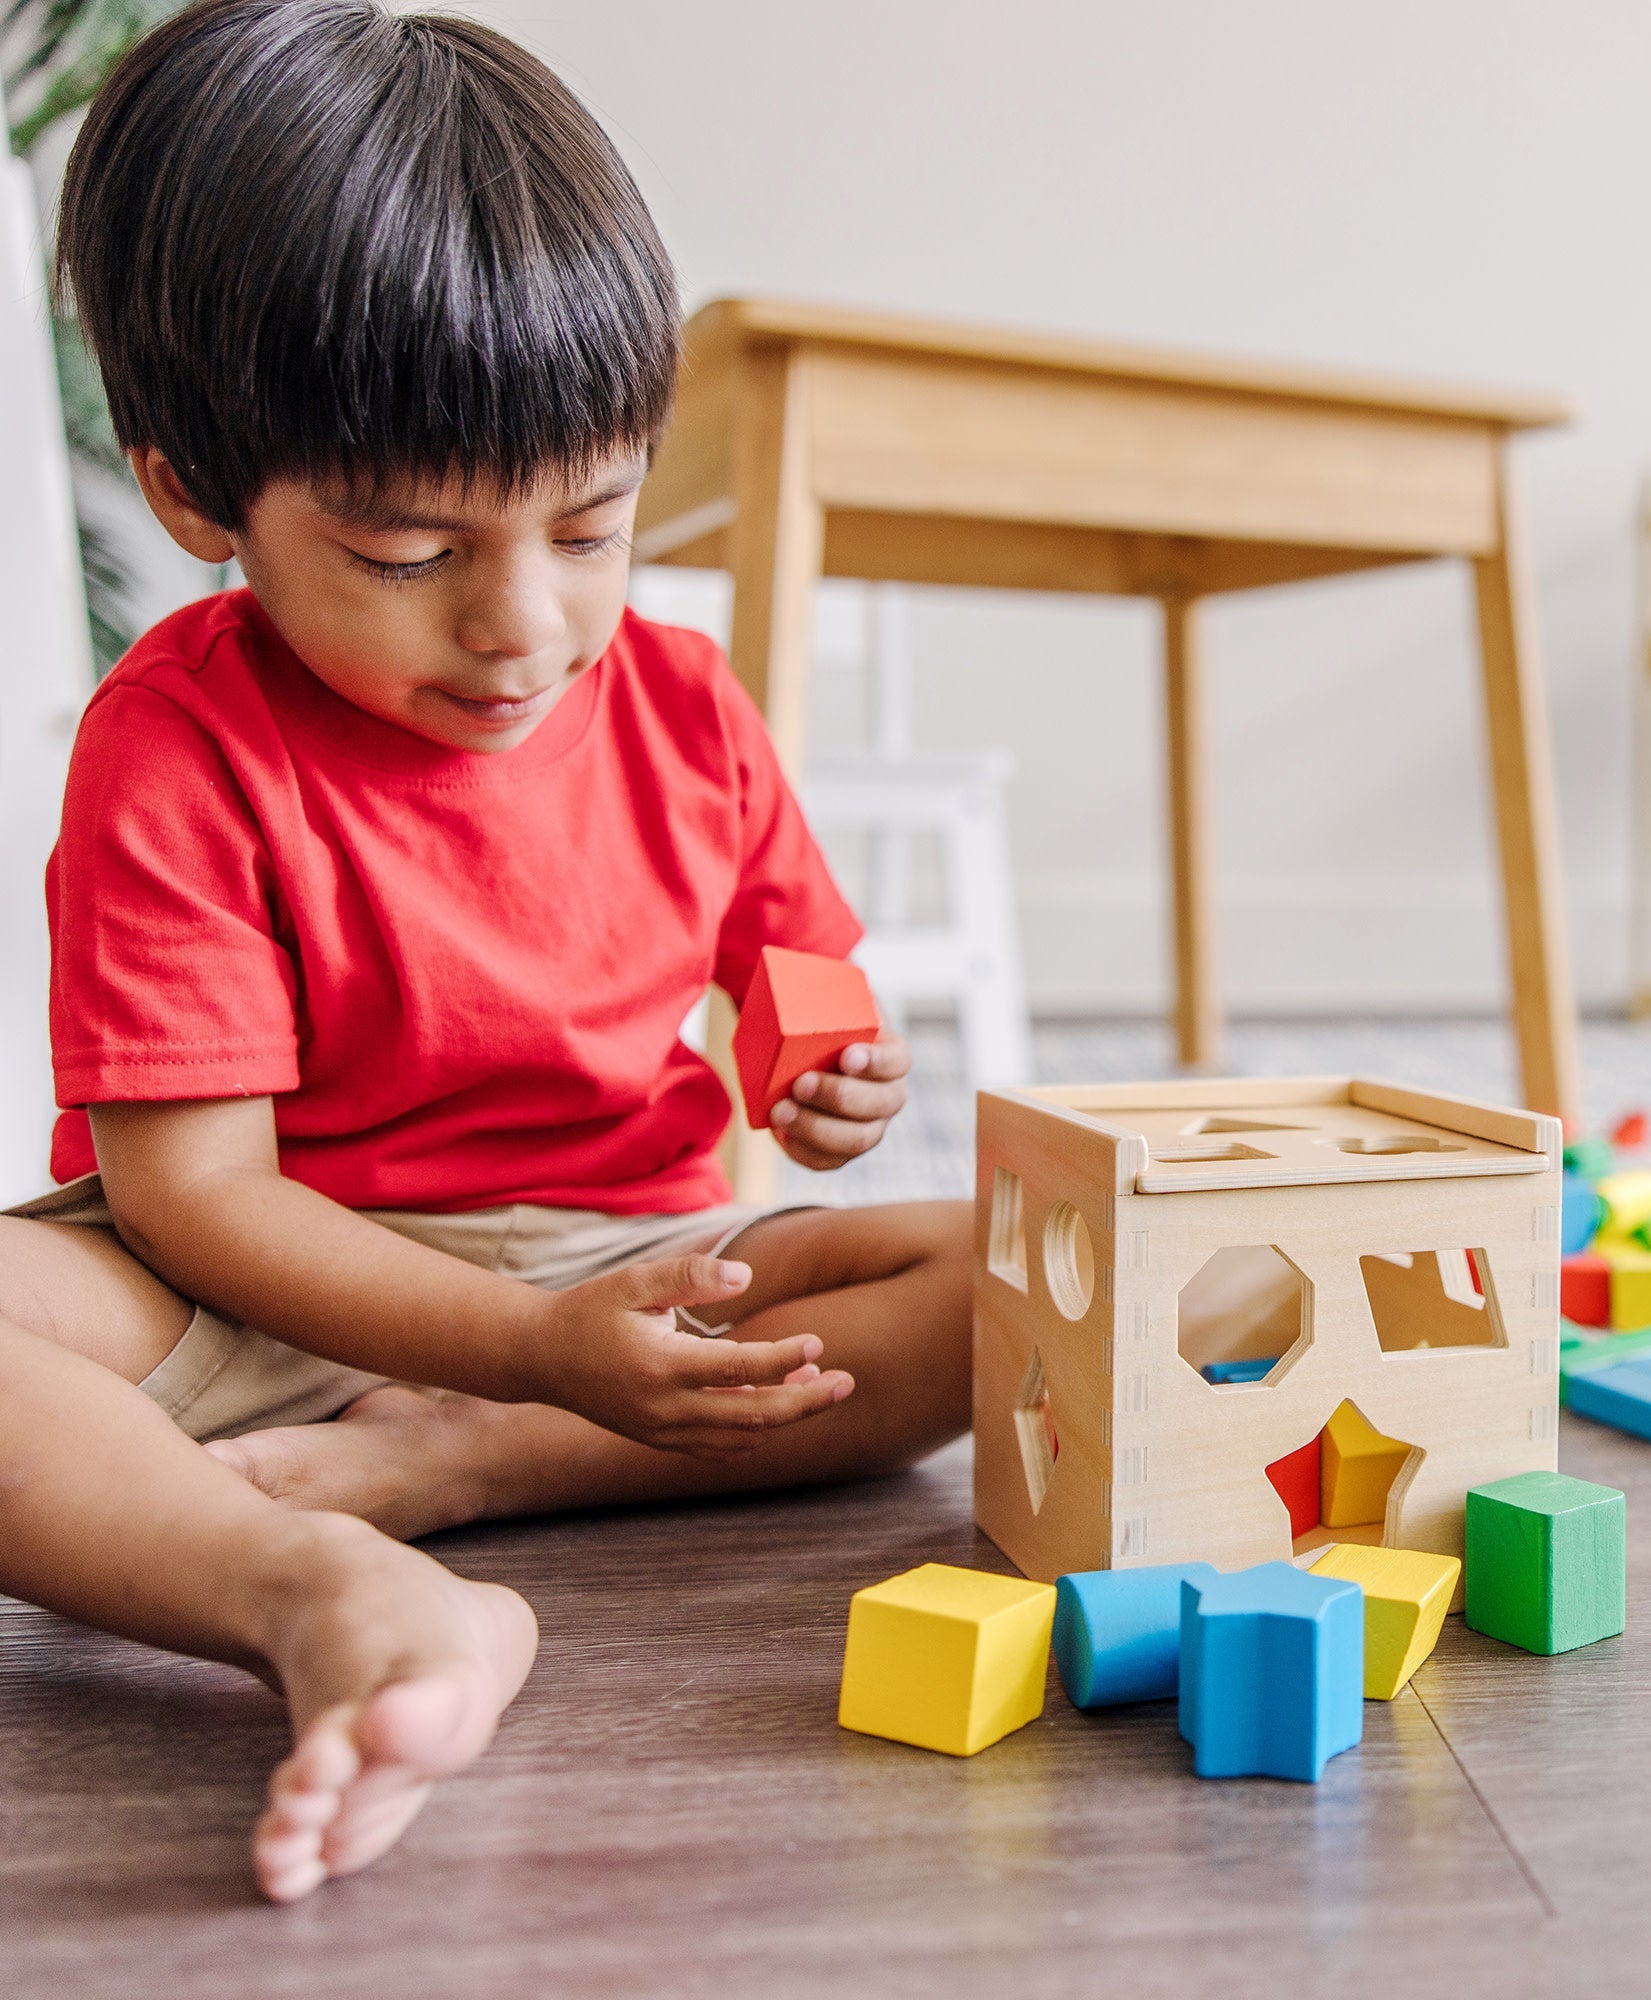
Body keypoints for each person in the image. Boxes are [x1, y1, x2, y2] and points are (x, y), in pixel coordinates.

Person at [2, 0, 971, 1905]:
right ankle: (317, 1582)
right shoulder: (181, 739)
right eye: (405, 555)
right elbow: (192, 1199)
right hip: (282, 1277)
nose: (522, 626)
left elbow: (799, 975)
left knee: (1025, 1261)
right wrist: (530, 1338)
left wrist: (831, 1075)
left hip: (626, 1251)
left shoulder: (687, 705)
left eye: (592, 527)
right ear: (201, 493)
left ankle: (468, 1467)